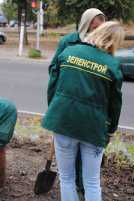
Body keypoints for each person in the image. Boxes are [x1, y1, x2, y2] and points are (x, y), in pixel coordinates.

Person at [42, 21, 125, 201]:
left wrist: (56, 114)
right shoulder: (112, 65)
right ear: (114, 41)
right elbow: (115, 105)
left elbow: (52, 87)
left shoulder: (69, 52)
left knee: (66, 178)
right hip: (94, 129)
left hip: (63, 122)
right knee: (92, 182)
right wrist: (110, 130)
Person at [48, 8, 106, 193]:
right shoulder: (68, 41)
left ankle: (81, 186)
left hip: (91, 109)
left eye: (100, 27)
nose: (96, 31)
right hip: (67, 106)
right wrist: (54, 108)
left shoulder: (103, 44)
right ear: (85, 24)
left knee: (86, 156)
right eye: (93, 27)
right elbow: (54, 71)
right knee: (69, 154)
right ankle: (75, 185)